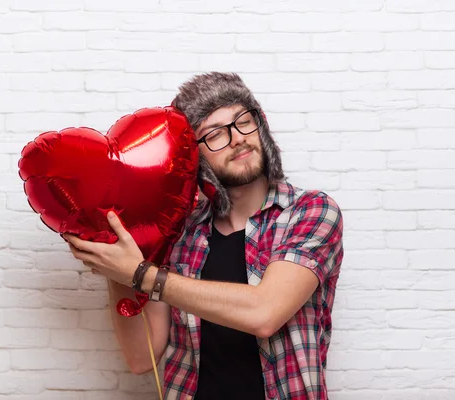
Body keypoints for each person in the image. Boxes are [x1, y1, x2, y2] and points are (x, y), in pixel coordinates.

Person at [64, 72, 344, 400]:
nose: (237, 138)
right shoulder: (178, 233)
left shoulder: (310, 211)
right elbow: (141, 358)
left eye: (243, 121)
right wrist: (119, 267)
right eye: (214, 134)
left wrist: (141, 274)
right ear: (194, 157)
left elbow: (264, 313)